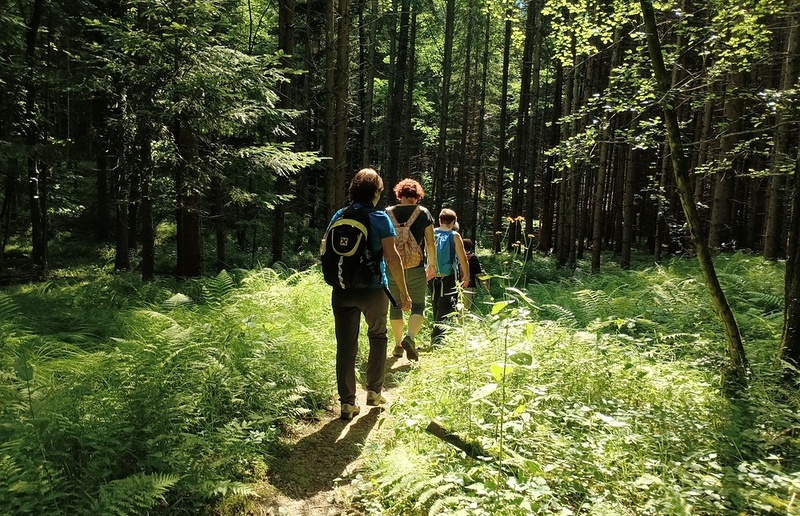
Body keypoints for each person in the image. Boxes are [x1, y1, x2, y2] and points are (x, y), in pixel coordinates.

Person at [326, 168, 411, 420]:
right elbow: (392, 257)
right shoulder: (379, 217)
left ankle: (347, 403)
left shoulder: (340, 214)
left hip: (341, 290)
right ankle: (374, 392)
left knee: (345, 346)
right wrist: (403, 293)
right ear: (376, 192)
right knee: (377, 336)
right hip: (373, 290)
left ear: (353, 190)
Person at [385, 178, 436, 361]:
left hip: (392, 266)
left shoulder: (387, 213)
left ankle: (398, 345)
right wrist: (432, 264)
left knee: (396, 305)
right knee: (419, 305)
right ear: (417, 195)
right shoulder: (423, 213)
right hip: (415, 266)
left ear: (400, 194)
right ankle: (410, 337)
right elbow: (430, 242)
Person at [431, 208, 469, 345]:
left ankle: (435, 334)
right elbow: (463, 258)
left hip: (432, 275)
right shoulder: (454, 235)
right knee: (447, 306)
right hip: (449, 276)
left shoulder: (431, 233)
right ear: (453, 222)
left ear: (440, 220)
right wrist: (467, 276)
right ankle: (438, 339)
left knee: (436, 303)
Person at [461, 238, 489, 311]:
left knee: (457, 307)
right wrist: (486, 286)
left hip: (456, 285)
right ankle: (462, 321)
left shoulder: (456, 257)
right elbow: (479, 274)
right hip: (469, 285)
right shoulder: (473, 258)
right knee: (466, 308)